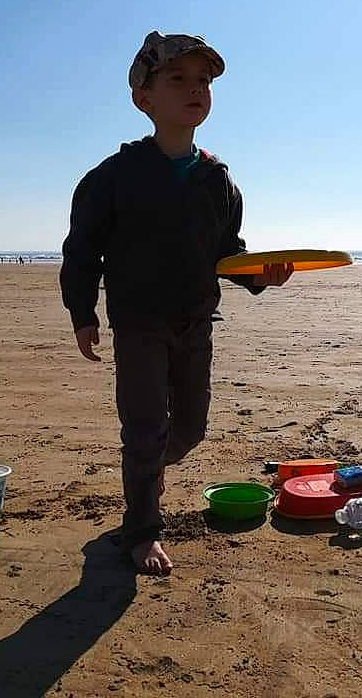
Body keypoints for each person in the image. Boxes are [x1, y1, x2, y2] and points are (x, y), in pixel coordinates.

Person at [60, 31, 293, 576]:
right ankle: (141, 529)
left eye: (204, 82)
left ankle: (146, 470)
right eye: (178, 79)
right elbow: (82, 249)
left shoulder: (217, 179)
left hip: (196, 323)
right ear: (144, 97)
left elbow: (226, 253)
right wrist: (82, 313)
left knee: (187, 431)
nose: (196, 90)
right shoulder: (114, 177)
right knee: (144, 429)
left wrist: (262, 277)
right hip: (139, 325)